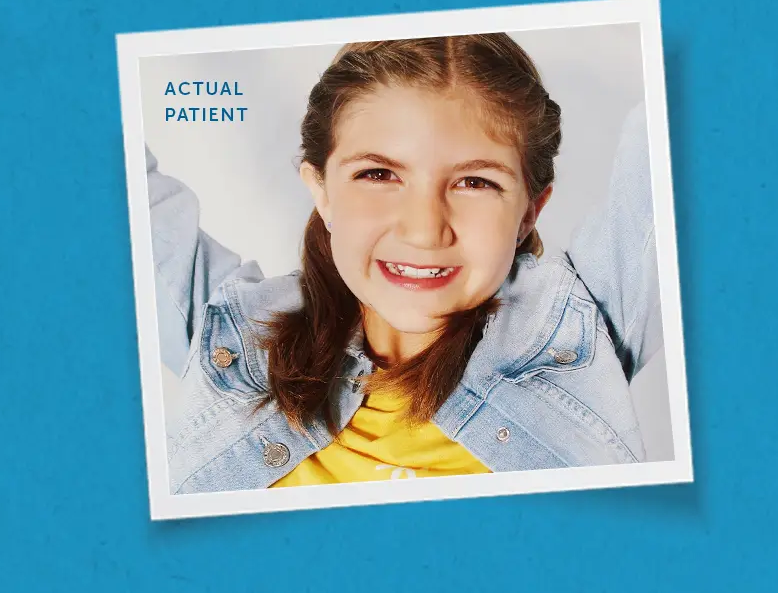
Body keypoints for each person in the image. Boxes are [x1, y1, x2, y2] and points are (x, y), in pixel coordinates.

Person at [146, 35, 659, 493]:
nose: (424, 229)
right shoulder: (231, 340)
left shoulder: (586, 326)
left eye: (475, 182)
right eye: (378, 174)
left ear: (529, 211)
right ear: (321, 190)